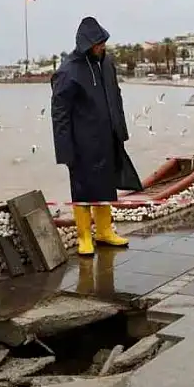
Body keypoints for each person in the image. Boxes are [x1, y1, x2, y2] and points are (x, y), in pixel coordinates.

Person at [51, 17, 142, 256]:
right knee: (82, 190)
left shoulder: (106, 62)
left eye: (104, 42)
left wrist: (120, 130)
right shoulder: (67, 72)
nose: (102, 47)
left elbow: (116, 96)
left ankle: (104, 231)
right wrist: (64, 150)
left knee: (105, 187)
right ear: (86, 44)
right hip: (81, 144)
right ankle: (84, 237)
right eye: (98, 43)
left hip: (108, 138)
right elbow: (59, 114)